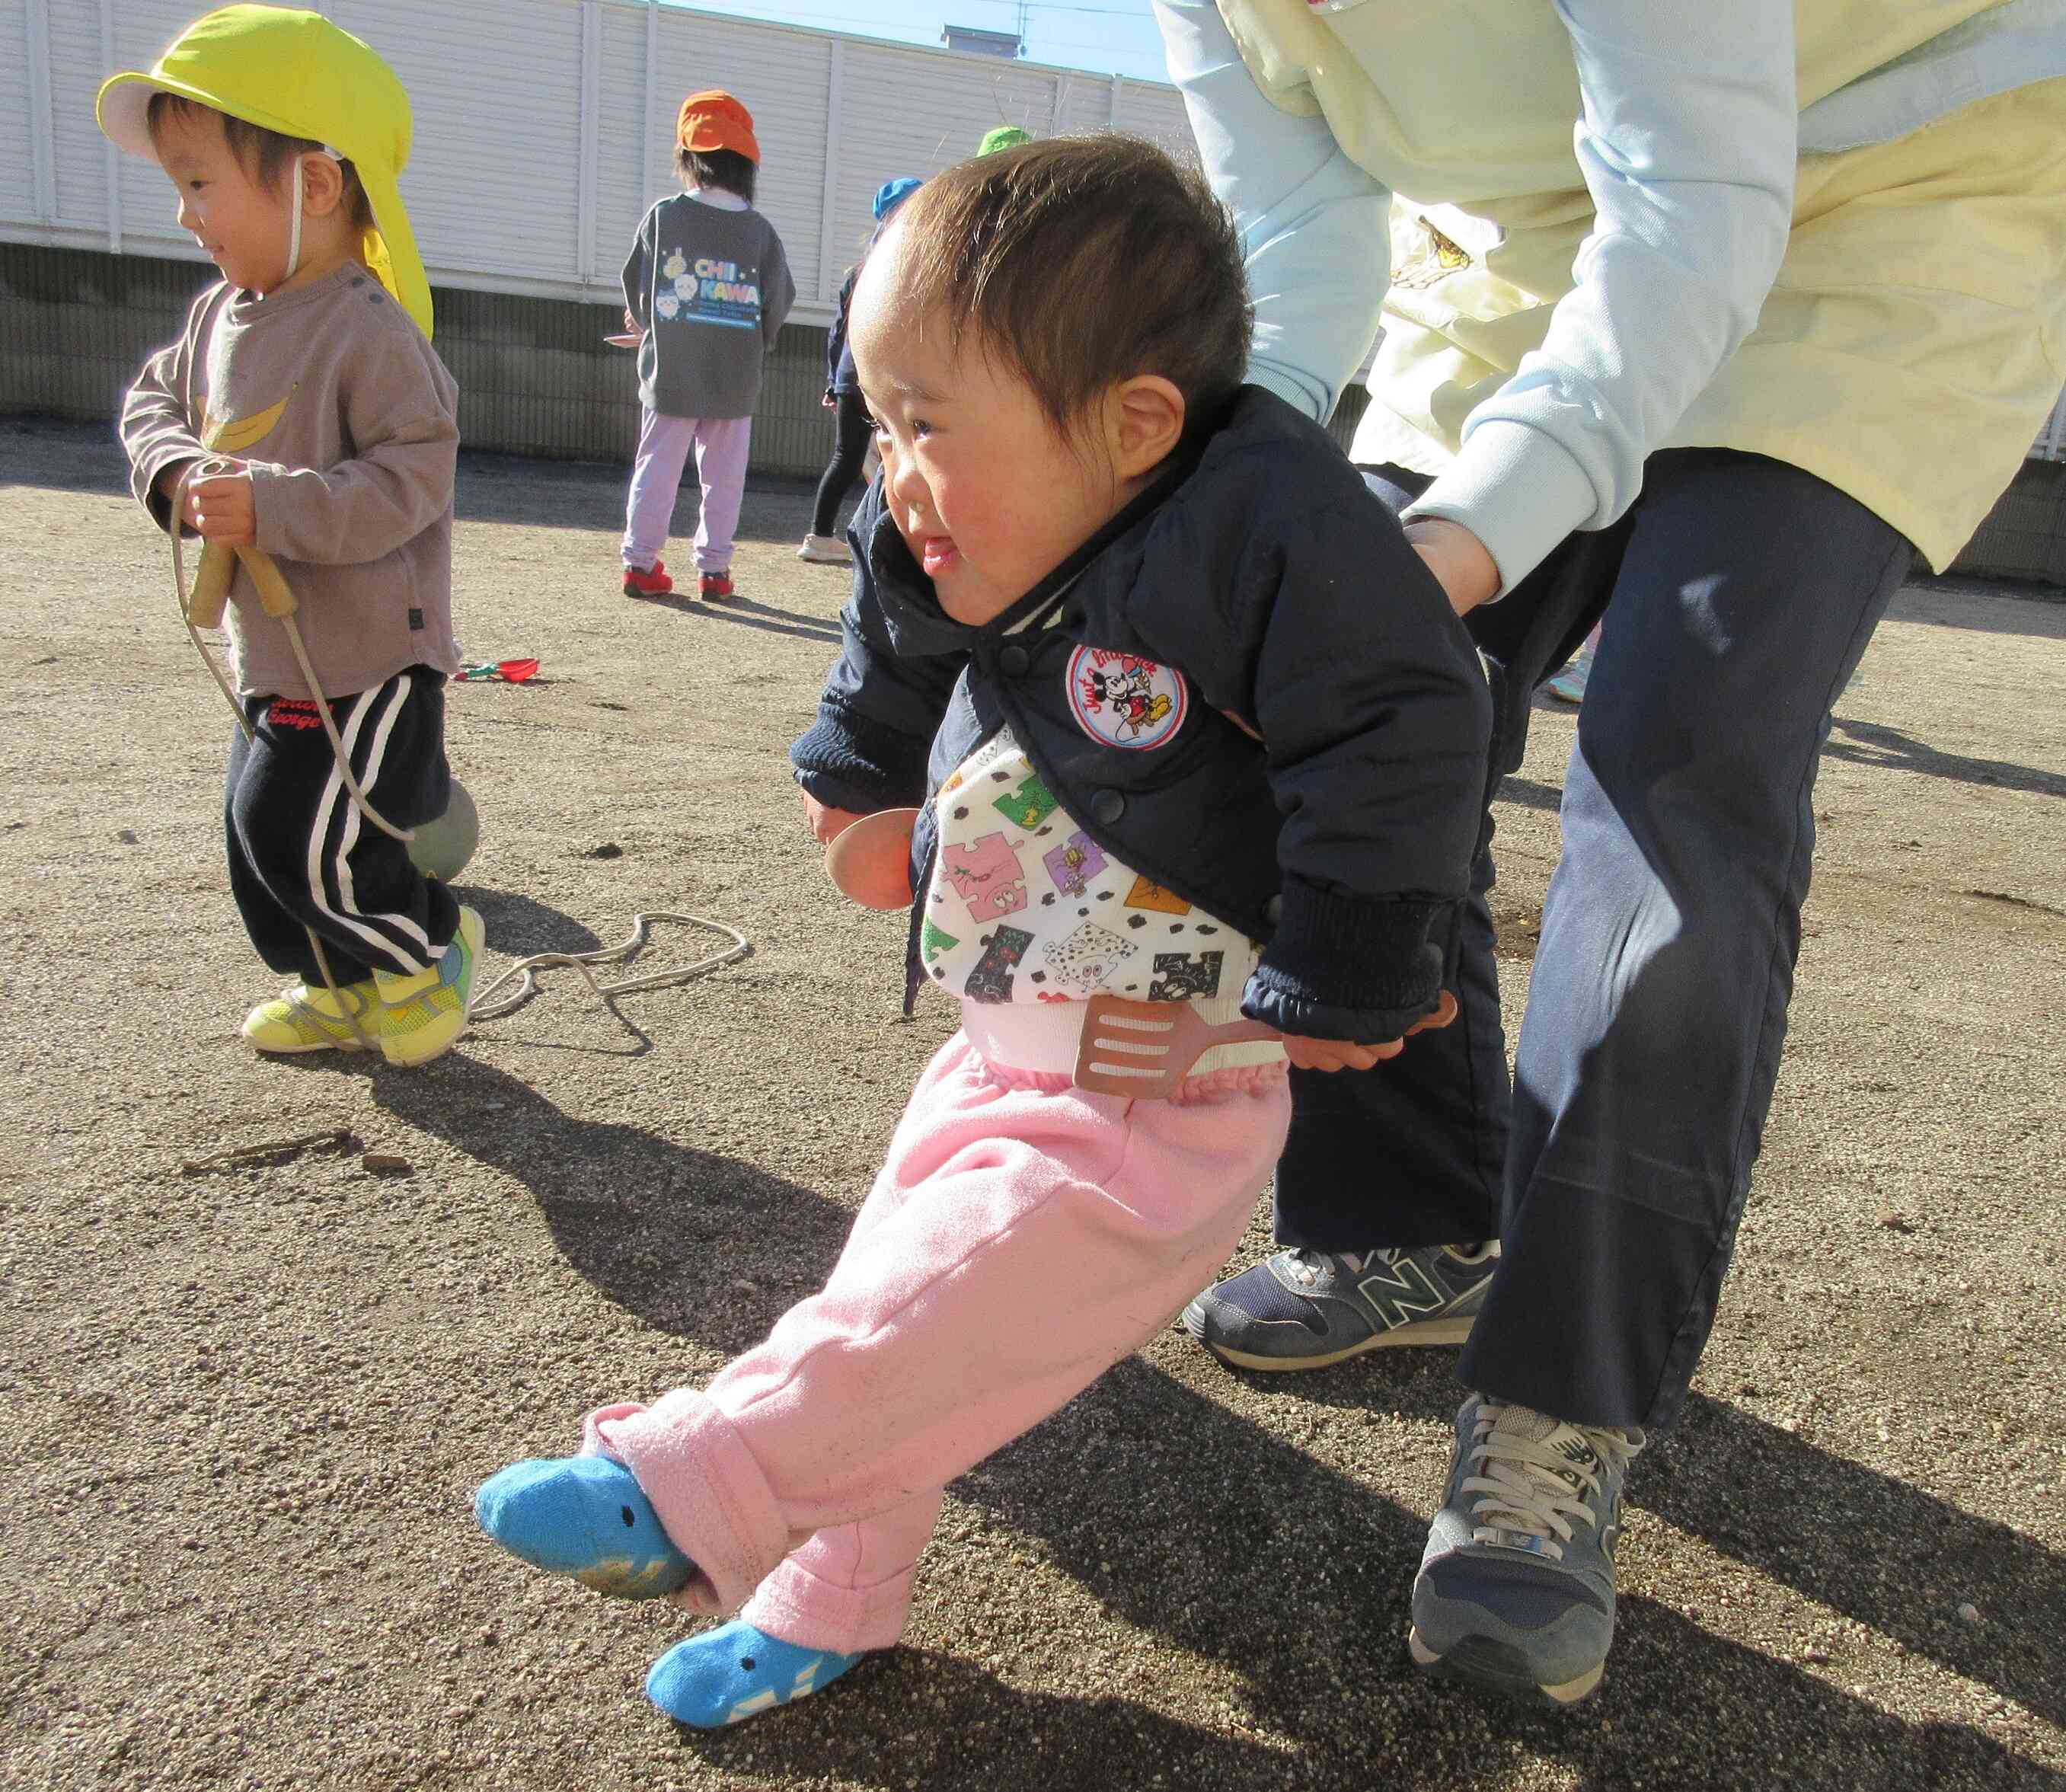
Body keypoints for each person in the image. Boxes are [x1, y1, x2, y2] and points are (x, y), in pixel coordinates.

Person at [474, 136, 1490, 1730]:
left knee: (956, 1296)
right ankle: (829, 1599)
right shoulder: (947, 521)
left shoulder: (1262, 531)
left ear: (1135, 424)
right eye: (877, 422)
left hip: (1168, 1068)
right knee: (889, 1297)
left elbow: (1404, 720)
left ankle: (704, 1480)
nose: (891, 471)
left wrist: (1354, 961)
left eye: (928, 423)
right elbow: (888, 628)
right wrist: (861, 776)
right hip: (1010, 1026)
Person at [1153, 0, 2066, 1707]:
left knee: (1677, 784)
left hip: (1878, 195)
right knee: (1320, 722)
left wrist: (1467, 541)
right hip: (1528, 254)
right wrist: (1240, 503)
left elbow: (1693, 206)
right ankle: (1413, 1220)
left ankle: (1559, 1403)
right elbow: (1297, 221)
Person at [104, 2, 483, 1068]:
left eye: (200, 181)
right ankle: (334, 984)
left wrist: (269, 504)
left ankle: (426, 946)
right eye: (177, 184)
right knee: (252, 842)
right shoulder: (219, 316)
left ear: (314, 184)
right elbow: (150, 403)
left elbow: (413, 477)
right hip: (272, 652)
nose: (186, 214)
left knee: (304, 835)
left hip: (364, 655)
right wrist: (175, 470)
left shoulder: (370, 329)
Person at [620, 90, 795, 603]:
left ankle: (640, 561)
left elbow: (638, 285)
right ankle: (714, 572)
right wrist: (756, 341)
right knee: (723, 476)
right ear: (746, 165)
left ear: (688, 155)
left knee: (657, 466)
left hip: (672, 367)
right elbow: (777, 300)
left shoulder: (663, 217)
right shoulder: (760, 231)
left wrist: (651, 322)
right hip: (734, 375)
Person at [797, 176, 922, 567]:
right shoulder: (909, 266)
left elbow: (838, 332)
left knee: (853, 457)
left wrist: (833, 382)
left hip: (853, 378)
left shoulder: (860, 271)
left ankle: (823, 534)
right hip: (889, 378)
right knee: (896, 458)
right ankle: (886, 540)